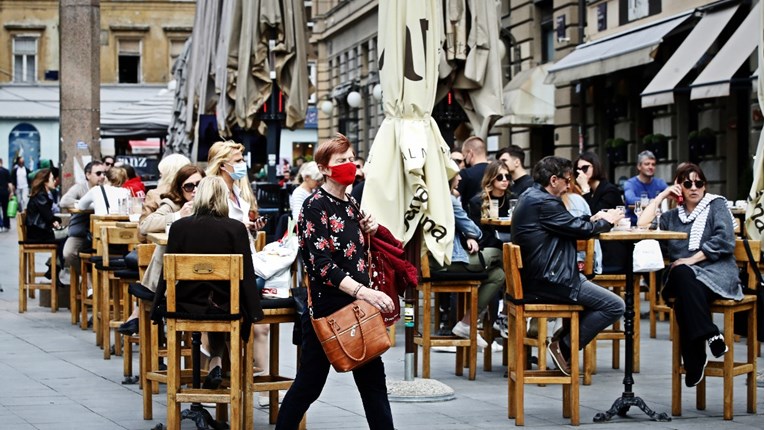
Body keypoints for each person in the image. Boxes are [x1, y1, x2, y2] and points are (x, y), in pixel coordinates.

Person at [276, 133, 394, 430]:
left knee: (373, 384)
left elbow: (357, 251)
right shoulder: (315, 206)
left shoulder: (350, 202)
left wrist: (370, 228)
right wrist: (364, 291)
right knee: (309, 385)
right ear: (325, 168)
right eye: (342, 160)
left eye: (352, 158)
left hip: (357, 307)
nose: (350, 165)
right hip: (330, 309)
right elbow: (321, 265)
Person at [511, 156, 625, 376]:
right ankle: (563, 346)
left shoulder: (532, 196)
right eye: (567, 179)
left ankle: (564, 338)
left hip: (542, 276)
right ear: (554, 180)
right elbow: (579, 229)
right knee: (615, 306)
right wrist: (607, 222)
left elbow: (567, 223)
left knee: (597, 300)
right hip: (551, 280)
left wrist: (593, 218)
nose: (569, 184)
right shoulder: (545, 202)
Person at [151, 176, 264, 391]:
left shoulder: (179, 227)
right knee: (222, 303)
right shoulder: (235, 229)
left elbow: (167, 274)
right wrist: (254, 312)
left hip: (185, 305)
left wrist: (158, 306)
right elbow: (246, 275)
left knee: (212, 300)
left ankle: (215, 362)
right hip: (223, 306)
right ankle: (218, 362)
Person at [637, 163, 739, 387]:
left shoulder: (717, 205)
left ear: (705, 186)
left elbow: (725, 241)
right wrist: (662, 194)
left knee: (684, 293)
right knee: (681, 273)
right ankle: (711, 333)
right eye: (687, 183)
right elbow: (641, 224)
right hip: (684, 276)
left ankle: (694, 360)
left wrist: (691, 259)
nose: (694, 188)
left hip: (716, 272)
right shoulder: (671, 217)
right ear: (679, 187)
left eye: (699, 183)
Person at [118, 165, 207, 335]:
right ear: (180, 190)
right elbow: (144, 226)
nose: (195, 190)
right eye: (189, 186)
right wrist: (178, 216)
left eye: (199, 185)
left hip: (200, 275)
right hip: (172, 277)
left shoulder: (212, 205)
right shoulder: (172, 205)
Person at [434, 173, 504, 348]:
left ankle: (467, 323)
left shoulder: (427, 197)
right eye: (456, 175)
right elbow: (473, 228)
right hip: (448, 262)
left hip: (430, 262)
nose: (460, 179)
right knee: (502, 254)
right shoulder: (449, 199)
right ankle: (507, 316)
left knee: (498, 275)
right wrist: (471, 235)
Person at [575, 151, 625, 272]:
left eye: (585, 168)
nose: (581, 173)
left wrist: (585, 190)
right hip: (596, 246)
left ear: (595, 166)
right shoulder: (585, 191)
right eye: (578, 170)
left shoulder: (609, 190)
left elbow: (596, 217)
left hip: (612, 250)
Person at [59, 160, 107, 284]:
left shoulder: (107, 188)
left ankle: (103, 284)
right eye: (98, 173)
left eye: (104, 173)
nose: (102, 176)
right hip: (80, 232)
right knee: (68, 253)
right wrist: (82, 204)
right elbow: (63, 202)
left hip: (102, 234)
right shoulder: (80, 188)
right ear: (88, 175)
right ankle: (87, 277)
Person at [468, 160, 512, 250]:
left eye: (507, 176)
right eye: (499, 177)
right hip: (490, 244)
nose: (504, 180)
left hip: (512, 242)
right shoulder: (477, 202)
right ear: (491, 178)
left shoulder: (512, 199)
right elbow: (479, 230)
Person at [624, 150, 667, 225]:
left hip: (654, 225)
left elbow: (669, 196)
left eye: (653, 164)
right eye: (647, 164)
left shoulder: (660, 183)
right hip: (633, 225)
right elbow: (630, 199)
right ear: (639, 166)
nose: (651, 167)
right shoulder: (630, 183)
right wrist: (653, 201)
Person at [142, 153, 191, 218]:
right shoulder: (192, 191)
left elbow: (144, 223)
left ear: (166, 173)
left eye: (161, 172)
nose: (160, 175)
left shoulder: (154, 194)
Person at [456, 136, 489, 210]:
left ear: (470, 153)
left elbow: (453, 195)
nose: (464, 159)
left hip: (471, 217)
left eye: (464, 155)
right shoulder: (498, 171)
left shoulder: (466, 173)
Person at [0, 158, 12, 232]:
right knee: (5, 209)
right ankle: (6, 225)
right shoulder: (6, 171)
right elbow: (9, 184)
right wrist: (11, 192)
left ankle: (0, 225)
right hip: (4, 192)